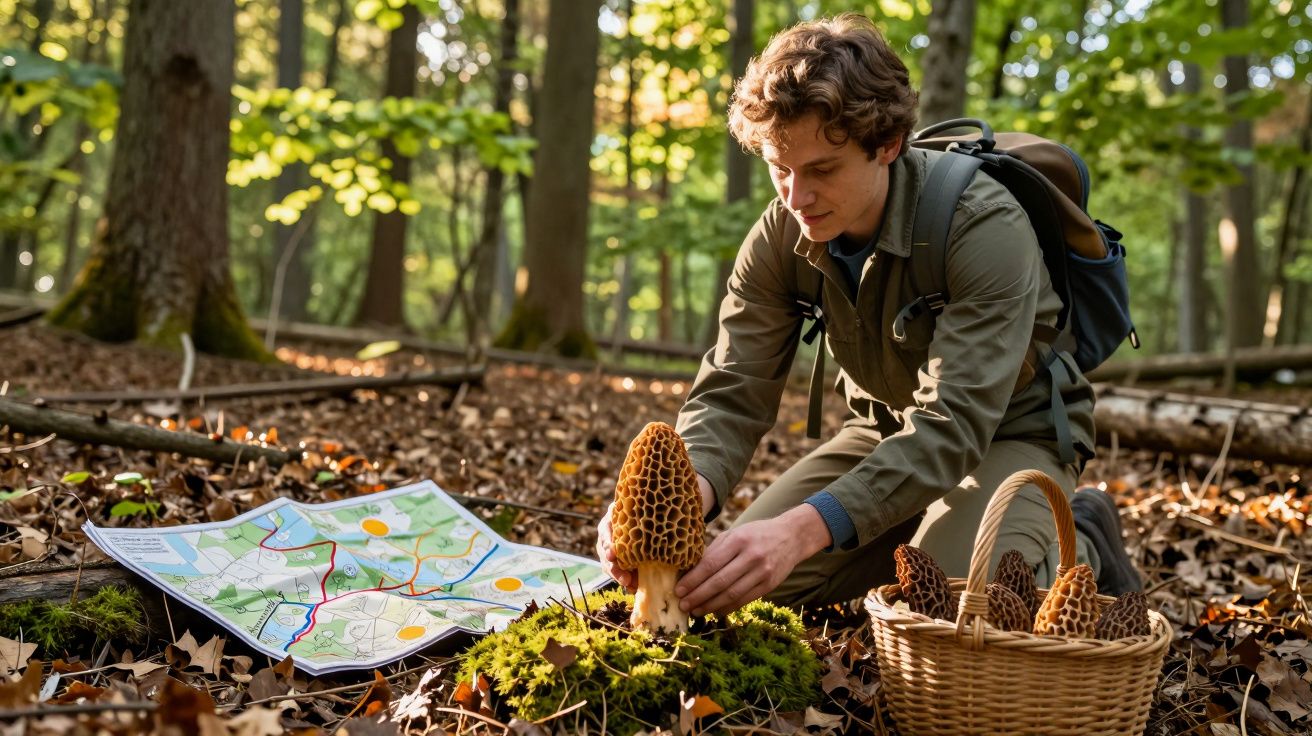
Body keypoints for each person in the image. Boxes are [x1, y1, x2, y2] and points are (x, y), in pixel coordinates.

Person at [596, 13, 1140, 618]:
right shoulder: (781, 236)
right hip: (880, 434)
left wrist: (806, 529)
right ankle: (903, 537)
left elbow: (955, 423)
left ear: (887, 145)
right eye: (780, 169)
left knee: (955, 611)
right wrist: (679, 497)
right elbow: (730, 392)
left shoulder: (982, 225)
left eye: (822, 171)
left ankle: (1083, 537)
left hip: (1009, 435)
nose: (796, 198)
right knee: (722, 588)